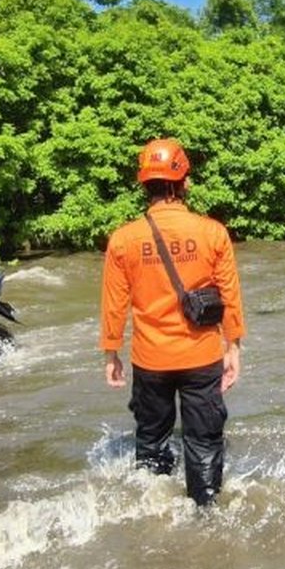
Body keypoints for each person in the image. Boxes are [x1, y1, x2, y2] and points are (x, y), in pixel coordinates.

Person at [99, 138, 246, 507]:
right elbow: (229, 295)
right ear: (184, 182)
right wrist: (234, 346)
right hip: (201, 356)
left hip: (150, 360)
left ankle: (152, 511)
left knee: (150, 440)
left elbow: (114, 303)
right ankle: (205, 513)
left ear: (144, 185)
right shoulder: (212, 232)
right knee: (204, 441)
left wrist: (111, 353)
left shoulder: (123, 239)